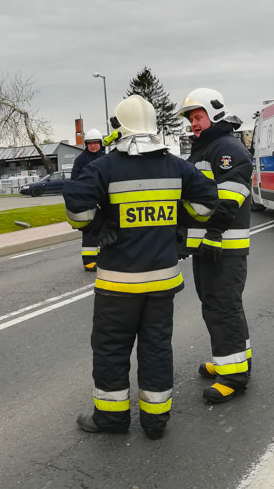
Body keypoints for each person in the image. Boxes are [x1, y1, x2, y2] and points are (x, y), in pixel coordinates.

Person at [64, 95, 218, 440]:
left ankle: (112, 419)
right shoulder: (176, 166)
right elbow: (207, 204)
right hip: (163, 281)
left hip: (118, 284)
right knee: (157, 348)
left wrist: (96, 222)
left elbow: (78, 209)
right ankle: (155, 421)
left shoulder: (105, 167)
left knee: (111, 349)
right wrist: (179, 223)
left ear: (119, 126)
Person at [178, 88, 254, 404]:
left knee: (222, 306)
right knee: (218, 305)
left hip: (222, 244)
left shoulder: (226, 148)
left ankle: (234, 376)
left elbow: (231, 194)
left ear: (215, 113)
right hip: (209, 245)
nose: (193, 124)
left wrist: (213, 233)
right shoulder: (206, 148)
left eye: (198, 117)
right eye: (191, 119)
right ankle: (234, 359)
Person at [70, 129, 106, 271]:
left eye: (96, 143)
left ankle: (101, 258)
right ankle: (89, 261)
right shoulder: (81, 160)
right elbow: (75, 181)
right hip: (87, 199)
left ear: (100, 144)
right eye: (90, 143)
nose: (93, 146)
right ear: (86, 145)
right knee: (90, 229)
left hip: (104, 198)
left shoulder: (104, 158)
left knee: (105, 228)